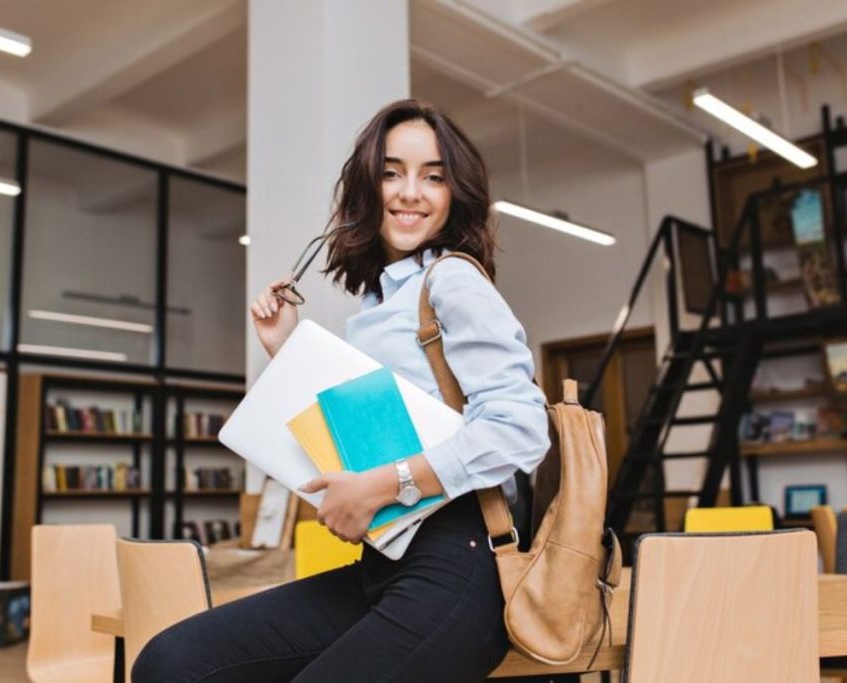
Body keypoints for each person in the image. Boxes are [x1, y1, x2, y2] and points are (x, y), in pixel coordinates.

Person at [132, 99, 550, 682]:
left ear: (455, 194)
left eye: (433, 176)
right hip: (383, 563)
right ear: (367, 185)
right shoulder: (378, 303)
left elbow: (521, 427)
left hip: (462, 566)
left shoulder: (452, 278)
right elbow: (371, 432)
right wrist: (288, 348)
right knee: (172, 663)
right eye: (391, 172)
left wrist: (387, 484)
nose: (410, 192)